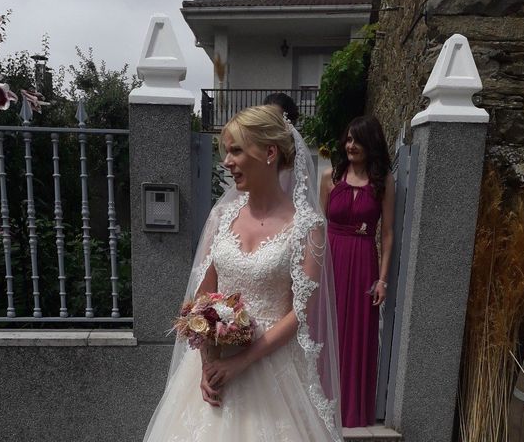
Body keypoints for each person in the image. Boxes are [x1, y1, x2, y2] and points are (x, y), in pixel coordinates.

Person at [143, 105, 343, 441]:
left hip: (271, 366)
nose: (227, 162)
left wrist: (241, 362)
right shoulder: (221, 217)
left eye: (236, 150)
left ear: (269, 152)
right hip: (213, 366)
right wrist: (209, 363)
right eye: (226, 152)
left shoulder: (308, 227)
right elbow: (201, 296)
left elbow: (300, 313)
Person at [319, 115, 394, 427]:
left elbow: (387, 233)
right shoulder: (329, 177)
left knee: (358, 334)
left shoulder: (383, 182)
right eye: (348, 139)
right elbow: (318, 226)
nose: (350, 145)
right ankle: (322, 404)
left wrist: (382, 280)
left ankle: (352, 412)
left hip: (364, 262)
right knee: (327, 330)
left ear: (370, 143)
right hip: (331, 259)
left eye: (357, 140)